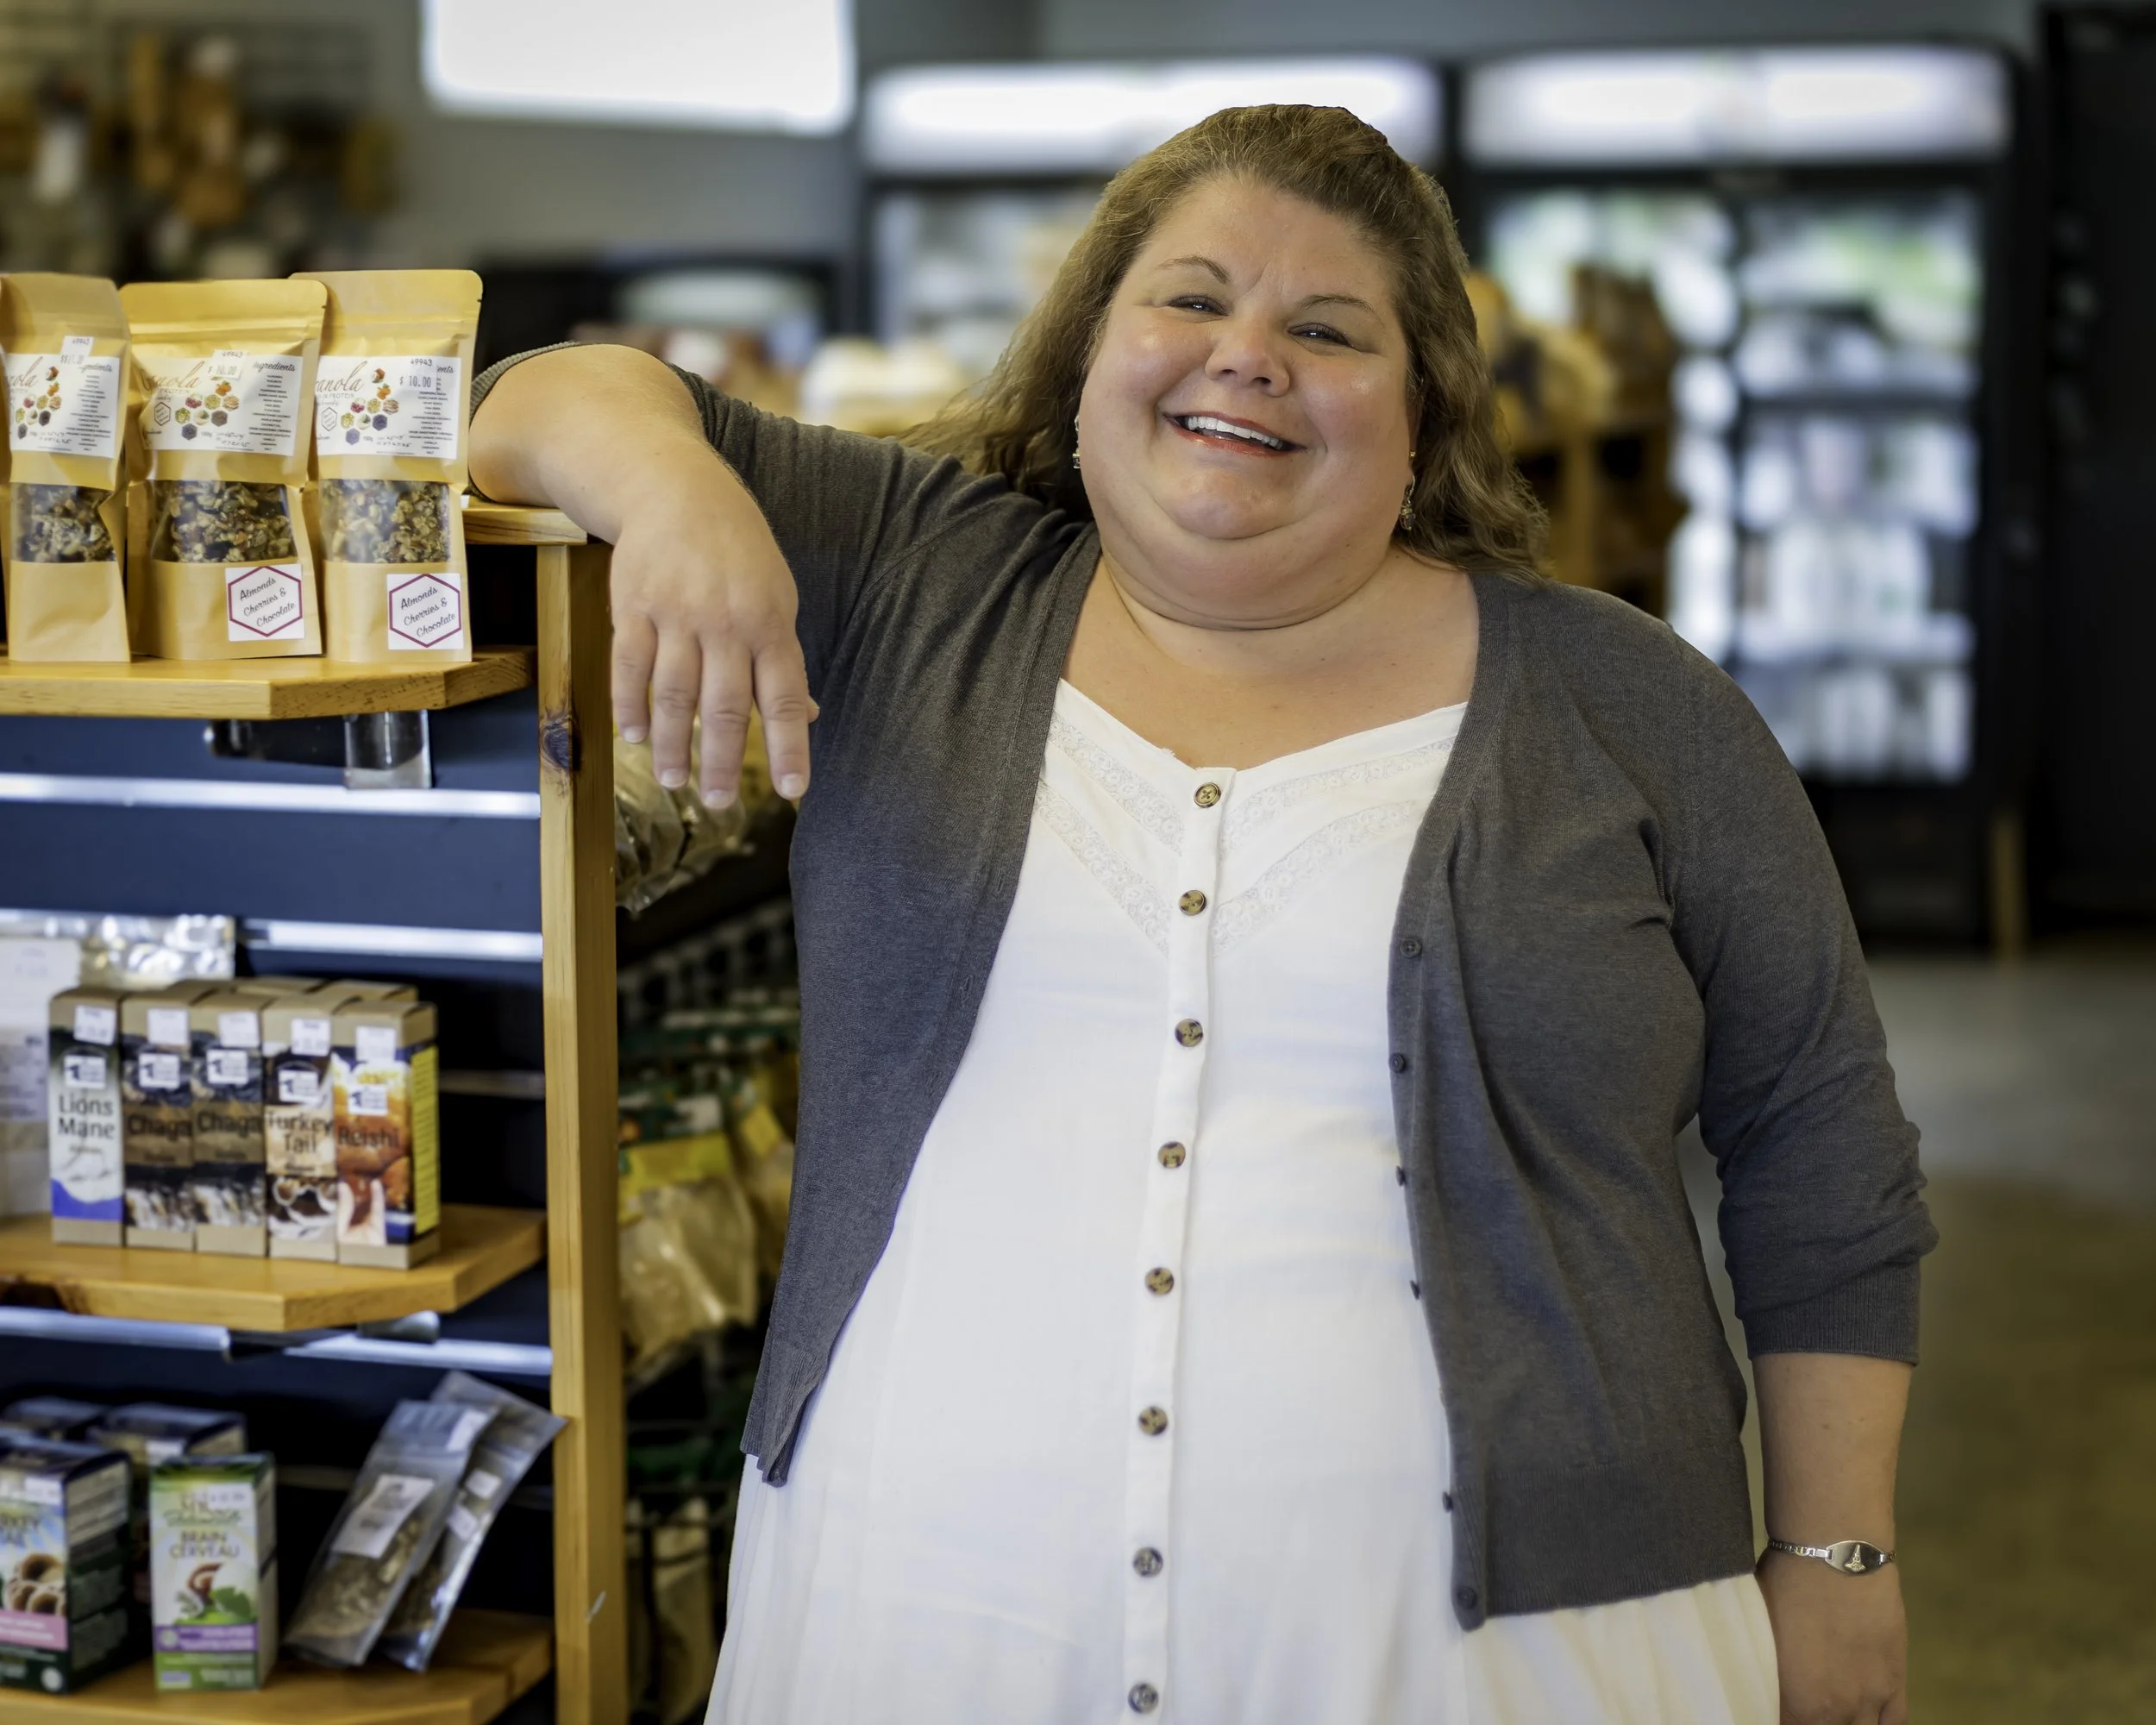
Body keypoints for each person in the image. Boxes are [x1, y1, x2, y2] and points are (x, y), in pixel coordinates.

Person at [472, 104, 1932, 1725]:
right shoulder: (914, 578)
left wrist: (1838, 1557)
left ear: (1425, 415)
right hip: (917, 1613)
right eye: (1190, 298)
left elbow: (1819, 1137)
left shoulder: (1633, 704)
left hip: (1526, 1658)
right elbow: (530, 398)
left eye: (1330, 330)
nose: (1249, 356)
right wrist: (681, 495)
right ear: (1089, 355)